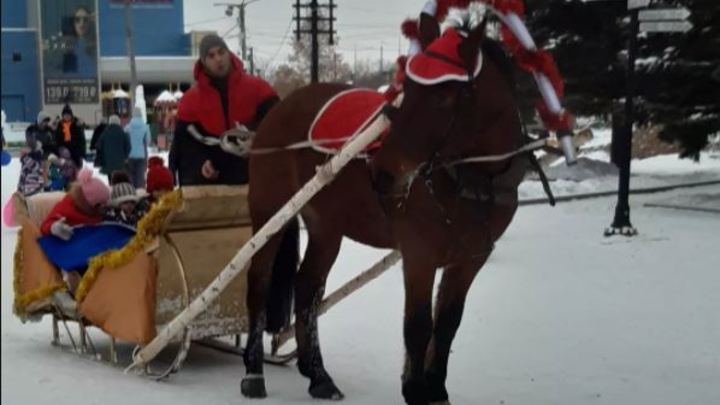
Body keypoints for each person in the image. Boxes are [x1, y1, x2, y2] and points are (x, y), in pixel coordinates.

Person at [169, 34, 279, 186]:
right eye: (211, 55)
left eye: (221, 52)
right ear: (204, 61)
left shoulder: (259, 90)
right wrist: (201, 164)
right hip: (212, 188)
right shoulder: (190, 102)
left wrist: (257, 137)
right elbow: (185, 148)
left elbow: (278, 124)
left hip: (256, 179)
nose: (218, 59)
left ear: (229, 53)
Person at [41, 168, 110, 295]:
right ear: (88, 204)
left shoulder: (97, 212)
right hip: (72, 250)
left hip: (93, 250)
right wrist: (55, 227)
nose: (103, 208)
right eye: (100, 205)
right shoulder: (66, 207)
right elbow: (46, 225)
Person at [95, 115, 130, 182]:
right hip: (120, 162)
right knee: (119, 178)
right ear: (118, 122)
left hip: (107, 161)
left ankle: (112, 189)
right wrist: (125, 156)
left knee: (110, 178)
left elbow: (99, 145)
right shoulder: (122, 133)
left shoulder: (105, 133)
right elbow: (128, 146)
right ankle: (119, 189)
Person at [54, 104, 86, 168]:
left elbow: (81, 140)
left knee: (77, 168)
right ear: (63, 116)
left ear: (71, 116)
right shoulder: (59, 126)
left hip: (75, 150)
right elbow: (56, 139)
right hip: (63, 150)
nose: (67, 116)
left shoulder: (76, 125)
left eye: (68, 115)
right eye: (65, 115)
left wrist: (82, 153)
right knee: (66, 167)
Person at [124, 107, 149, 189]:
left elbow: (124, 142)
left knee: (130, 176)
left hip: (129, 155)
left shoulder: (127, 128)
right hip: (141, 155)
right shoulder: (145, 127)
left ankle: (132, 193)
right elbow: (148, 141)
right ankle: (140, 194)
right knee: (140, 176)